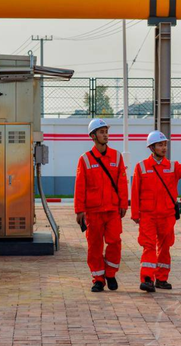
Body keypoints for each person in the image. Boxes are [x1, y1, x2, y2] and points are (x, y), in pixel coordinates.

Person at [131, 130, 181, 292]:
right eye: (160, 145)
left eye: (164, 144)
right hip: (148, 215)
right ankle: (147, 278)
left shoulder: (172, 166)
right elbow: (134, 191)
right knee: (148, 246)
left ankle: (161, 279)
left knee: (165, 246)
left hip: (167, 215)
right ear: (151, 147)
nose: (163, 148)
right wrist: (135, 213)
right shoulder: (141, 167)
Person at [74, 118, 128, 292]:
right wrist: (79, 210)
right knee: (94, 246)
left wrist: (123, 204)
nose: (106, 135)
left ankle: (110, 274)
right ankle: (98, 278)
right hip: (93, 211)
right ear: (93, 136)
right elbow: (80, 186)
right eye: (102, 132)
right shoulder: (85, 159)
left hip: (112, 210)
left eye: (106, 131)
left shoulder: (117, 156)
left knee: (114, 242)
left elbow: (122, 182)